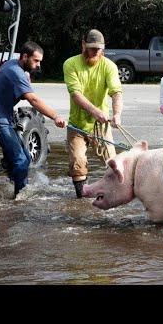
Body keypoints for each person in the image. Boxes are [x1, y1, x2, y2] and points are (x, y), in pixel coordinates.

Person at [0, 41, 66, 197]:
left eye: (40, 61)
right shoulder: (16, 72)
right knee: (21, 160)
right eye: (36, 60)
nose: (38, 65)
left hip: (1, 118)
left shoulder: (14, 65)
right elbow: (33, 100)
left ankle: (7, 187)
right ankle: (20, 198)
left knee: (26, 157)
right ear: (25, 56)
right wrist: (55, 116)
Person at [63, 29, 123, 198]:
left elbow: (116, 92)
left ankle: (113, 197)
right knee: (77, 163)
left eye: (98, 49)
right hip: (77, 124)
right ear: (83, 45)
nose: (95, 52)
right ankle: (81, 200)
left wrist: (117, 114)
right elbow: (76, 95)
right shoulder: (70, 64)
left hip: (101, 125)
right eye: (92, 48)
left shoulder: (109, 66)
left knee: (112, 164)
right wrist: (95, 111)